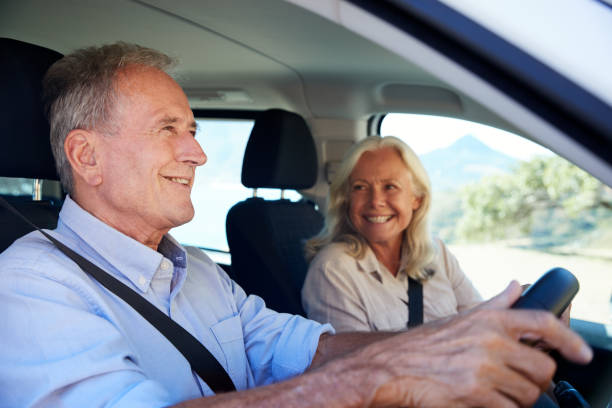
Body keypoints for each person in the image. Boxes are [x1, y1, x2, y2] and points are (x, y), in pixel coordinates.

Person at [0, 42, 591, 408]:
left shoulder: (197, 269)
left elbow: (305, 349)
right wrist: (378, 379)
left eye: (194, 130)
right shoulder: (29, 285)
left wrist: (446, 340)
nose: (198, 155)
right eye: (167, 130)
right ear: (87, 157)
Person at [303, 136, 482, 332]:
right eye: (360, 187)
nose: (375, 201)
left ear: (416, 199)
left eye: (390, 187)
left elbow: (481, 323)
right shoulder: (333, 268)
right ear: (346, 199)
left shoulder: (436, 252)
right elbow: (353, 359)